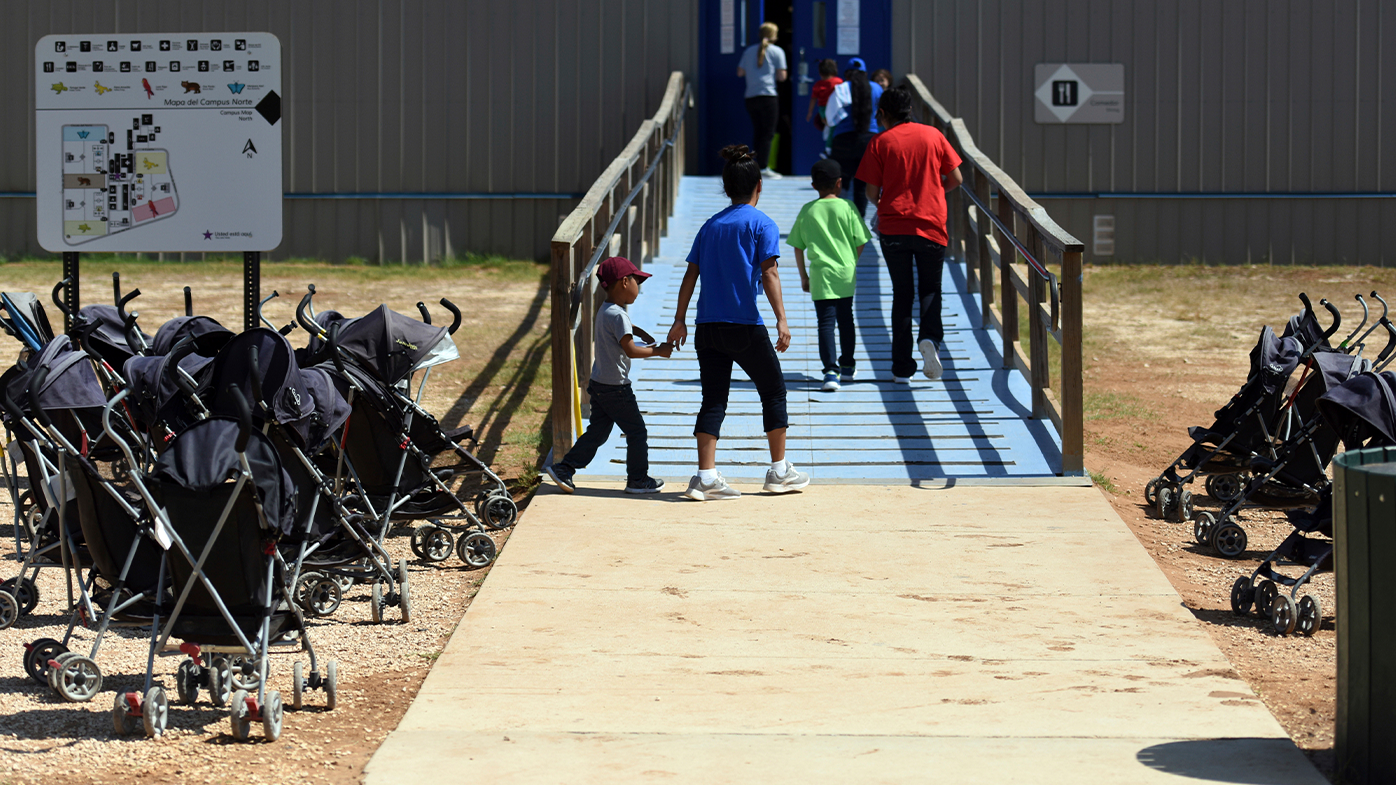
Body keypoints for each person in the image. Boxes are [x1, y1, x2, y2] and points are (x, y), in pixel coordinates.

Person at [666, 144, 811, 500]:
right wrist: (782, 320)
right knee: (774, 390)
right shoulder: (762, 224)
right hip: (745, 324)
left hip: (707, 326)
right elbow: (771, 273)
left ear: (726, 187)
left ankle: (705, 477)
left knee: (713, 398)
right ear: (759, 185)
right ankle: (778, 472)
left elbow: (690, 275)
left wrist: (679, 320)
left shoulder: (710, 225)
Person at [856, 86, 964, 383]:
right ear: (910, 110)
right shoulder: (933, 135)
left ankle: (902, 368)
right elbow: (956, 177)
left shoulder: (881, 142)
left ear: (884, 113)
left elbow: (870, 191)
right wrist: (935, 193)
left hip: (894, 228)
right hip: (931, 225)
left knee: (902, 294)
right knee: (930, 290)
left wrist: (883, 204)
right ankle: (929, 338)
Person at [544, 257, 672, 494]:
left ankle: (565, 468)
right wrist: (659, 351)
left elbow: (620, 331)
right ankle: (638, 479)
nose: (638, 286)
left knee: (598, 432)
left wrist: (637, 330)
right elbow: (631, 350)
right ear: (624, 282)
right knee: (637, 431)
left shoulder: (607, 310)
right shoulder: (619, 315)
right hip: (616, 388)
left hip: (600, 383)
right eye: (637, 281)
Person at [787, 159, 870, 392]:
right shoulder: (848, 207)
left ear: (814, 186)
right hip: (845, 273)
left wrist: (803, 276)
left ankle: (830, 372)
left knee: (825, 323)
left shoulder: (808, 210)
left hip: (820, 275)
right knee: (846, 320)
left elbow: (797, 246)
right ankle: (848, 365)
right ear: (840, 183)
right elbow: (862, 240)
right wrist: (852, 261)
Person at [823, 58, 883, 218]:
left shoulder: (840, 89)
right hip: (869, 141)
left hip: (843, 141)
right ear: (865, 74)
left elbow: (830, 119)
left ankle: (838, 221)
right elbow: (883, 115)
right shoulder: (876, 88)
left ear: (847, 74)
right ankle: (858, 222)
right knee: (862, 185)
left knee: (840, 183)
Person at [736, 22, 788, 179]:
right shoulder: (777, 51)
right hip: (768, 96)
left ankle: (756, 165)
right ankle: (764, 167)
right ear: (774, 36)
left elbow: (740, 72)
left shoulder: (749, 51)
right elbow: (782, 76)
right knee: (768, 133)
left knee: (758, 132)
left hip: (751, 97)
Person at [804, 58, 842, 130]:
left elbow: (813, 99)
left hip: (823, 110)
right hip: (836, 108)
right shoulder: (839, 82)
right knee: (833, 128)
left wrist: (810, 112)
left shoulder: (818, 85)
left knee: (829, 127)